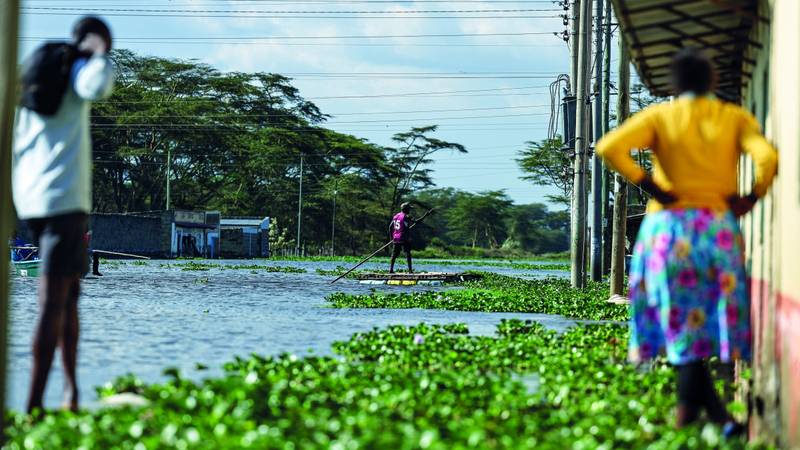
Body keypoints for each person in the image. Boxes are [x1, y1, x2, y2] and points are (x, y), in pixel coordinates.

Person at [597, 47, 778, 435]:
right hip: (717, 230)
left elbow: (608, 147)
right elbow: (766, 158)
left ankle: (695, 420)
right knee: (707, 321)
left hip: (669, 231)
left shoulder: (662, 116)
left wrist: (653, 188)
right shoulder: (733, 117)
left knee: (678, 323)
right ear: (711, 81)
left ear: (675, 83)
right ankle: (715, 418)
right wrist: (751, 196)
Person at [12, 16, 114, 414]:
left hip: (32, 201)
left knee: (69, 297)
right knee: (52, 301)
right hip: (65, 202)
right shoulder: (75, 70)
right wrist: (100, 55)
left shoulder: (35, 80)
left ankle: (71, 393)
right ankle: (34, 405)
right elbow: (97, 85)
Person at [389, 203, 420, 274]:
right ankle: (410, 271)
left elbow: (390, 227)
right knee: (407, 254)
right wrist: (424, 216)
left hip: (395, 238)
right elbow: (417, 221)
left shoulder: (396, 216)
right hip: (403, 238)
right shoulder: (406, 216)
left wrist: (392, 236)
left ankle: (391, 270)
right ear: (406, 209)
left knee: (394, 255)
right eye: (409, 209)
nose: (409, 211)